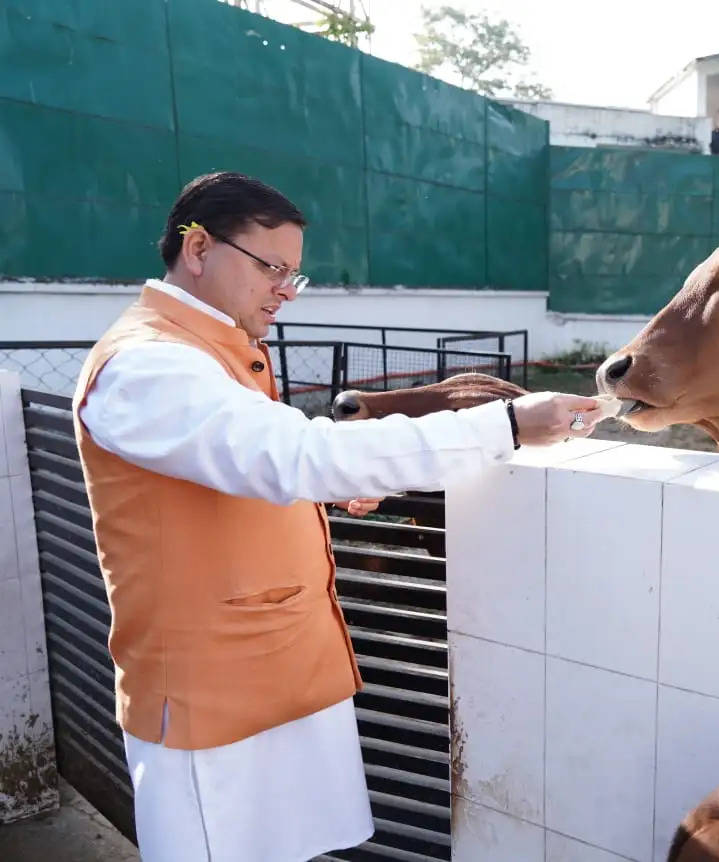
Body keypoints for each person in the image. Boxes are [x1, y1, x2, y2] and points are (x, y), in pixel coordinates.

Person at [72, 171, 604, 861]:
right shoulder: (148, 367)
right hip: (212, 700)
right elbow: (295, 455)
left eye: (296, 275)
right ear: (197, 248)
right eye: (272, 268)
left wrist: (326, 478)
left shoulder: (208, 351)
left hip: (271, 672)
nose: (286, 291)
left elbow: (252, 465)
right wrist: (504, 422)